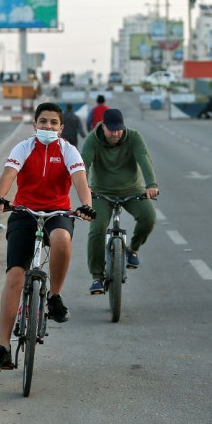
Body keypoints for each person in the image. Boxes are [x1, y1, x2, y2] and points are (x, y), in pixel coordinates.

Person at [0, 102, 96, 375]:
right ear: (35, 125)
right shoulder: (24, 148)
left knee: (61, 238)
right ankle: (3, 347)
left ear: (61, 127)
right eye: (42, 122)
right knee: (14, 277)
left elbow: (81, 180)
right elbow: (8, 174)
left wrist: (85, 204)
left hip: (58, 211)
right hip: (24, 212)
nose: (48, 127)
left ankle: (55, 296)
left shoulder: (68, 150)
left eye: (53, 123)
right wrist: (0, 197)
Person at [81, 109, 159, 294]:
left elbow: (143, 158)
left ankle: (132, 249)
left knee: (149, 217)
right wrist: (84, 186)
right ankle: (97, 277)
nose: (116, 133)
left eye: (119, 129)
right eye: (112, 130)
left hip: (131, 189)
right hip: (101, 192)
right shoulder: (93, 140)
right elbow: (84, 163)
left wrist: (151, 184)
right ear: (104, 126)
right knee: (97, 229)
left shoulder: (133, 137)